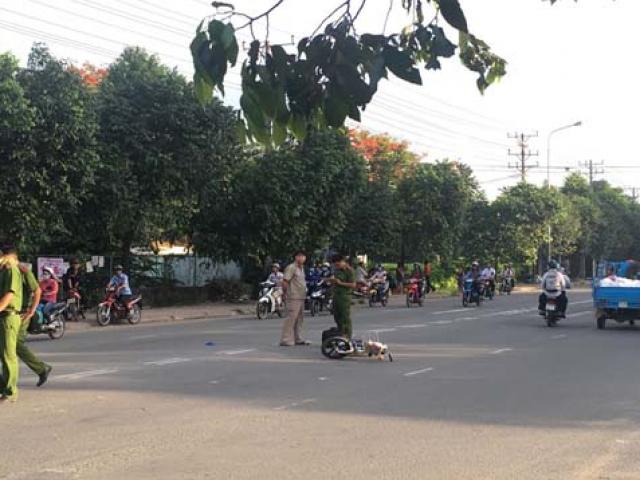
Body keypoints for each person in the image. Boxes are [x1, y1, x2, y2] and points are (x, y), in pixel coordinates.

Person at [16, 258, 52, 387]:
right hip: (9, 314)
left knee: (15, 344)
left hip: (22, 313)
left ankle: (42, 368)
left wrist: (31, 311)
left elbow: (37, 290)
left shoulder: (22, 270)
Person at [0, 245, 23, 402]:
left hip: (8, 316)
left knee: (8, 355)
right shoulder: (3, 270)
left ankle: (10, 391)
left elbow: (9, 294)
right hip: (3, 315)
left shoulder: (11, 269)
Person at [280, 251, 309, 347]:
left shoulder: (301, 268)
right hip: (293, 296)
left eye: (303, 256)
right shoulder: (291, 267)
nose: (302, 258)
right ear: (296, 257)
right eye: (300, 256)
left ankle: (298, 338)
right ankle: (286, 339)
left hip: (301, 296)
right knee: (291, 318)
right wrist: (284, 293)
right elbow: (285, 281)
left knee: (299, 319)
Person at [327, 254, 356, 339]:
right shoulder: (337, 270)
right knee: (337, 316)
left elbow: (353, 285)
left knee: (345, 317)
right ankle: (340, 333)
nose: (337, 265)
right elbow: (334, 281)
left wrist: (340, 283)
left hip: (344, 296)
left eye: (338, 263)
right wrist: (331, 281)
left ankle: (347, 336)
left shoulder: (349, 271)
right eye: (335, 264)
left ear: (343, 261)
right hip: (336, 296)